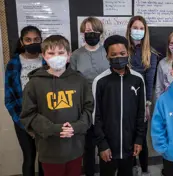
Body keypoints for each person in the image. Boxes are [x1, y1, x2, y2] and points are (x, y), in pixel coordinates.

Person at [20, 35, 93, 176]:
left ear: (68, 56)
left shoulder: (79, 80)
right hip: (49, 149)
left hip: (75, 146)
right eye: (51, 53)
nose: (56, 57)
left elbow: (89, 107)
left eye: (61, 53)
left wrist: (77, 126)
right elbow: (28, 114)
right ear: (44, 56)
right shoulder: (34, 84)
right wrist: (54, 129)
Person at [93, 35, 145, 176]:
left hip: (130, 146)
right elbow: (96, 116)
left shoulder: (137, 80)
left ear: (128, 53)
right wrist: (102, 144)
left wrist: (139, 139)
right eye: (113, 54)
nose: (118, 57)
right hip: (108, 147)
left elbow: (141, 113)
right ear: (107, 56)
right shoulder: (100, 81)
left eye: (122, 54)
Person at [70, 17, 109, 176]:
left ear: (100, 33)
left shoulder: (107, 52)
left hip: (106, 105)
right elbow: (72, 81)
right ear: (82, 33)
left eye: (94, 31)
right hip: (85, 106)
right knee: (88, 146)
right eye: (87, 31)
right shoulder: (76, 55)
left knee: (106, 142)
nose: (91, 34)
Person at [4, 25, 44, 176]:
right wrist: (23, 124)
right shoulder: (14, 63)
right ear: (22, 41)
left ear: (41, 41)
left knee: (44, 158)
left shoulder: (47, 61)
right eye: (28, 40)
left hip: (45, 118)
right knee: (29, 157)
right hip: (23, 118)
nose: (32, 42)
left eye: (36, 39)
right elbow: (9, 98)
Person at [126, 15, 158, 176]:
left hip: (142, 101)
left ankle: (144, 169)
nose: (138, 31)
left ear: (145, 31)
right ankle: (131, 167)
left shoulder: (150, 54)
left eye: (141, 28)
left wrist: (147, 103)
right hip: (125, 100)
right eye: (135, 27)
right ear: (129, 29)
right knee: (128, 136)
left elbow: (150, 80)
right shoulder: (123, 50)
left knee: (141, 137)